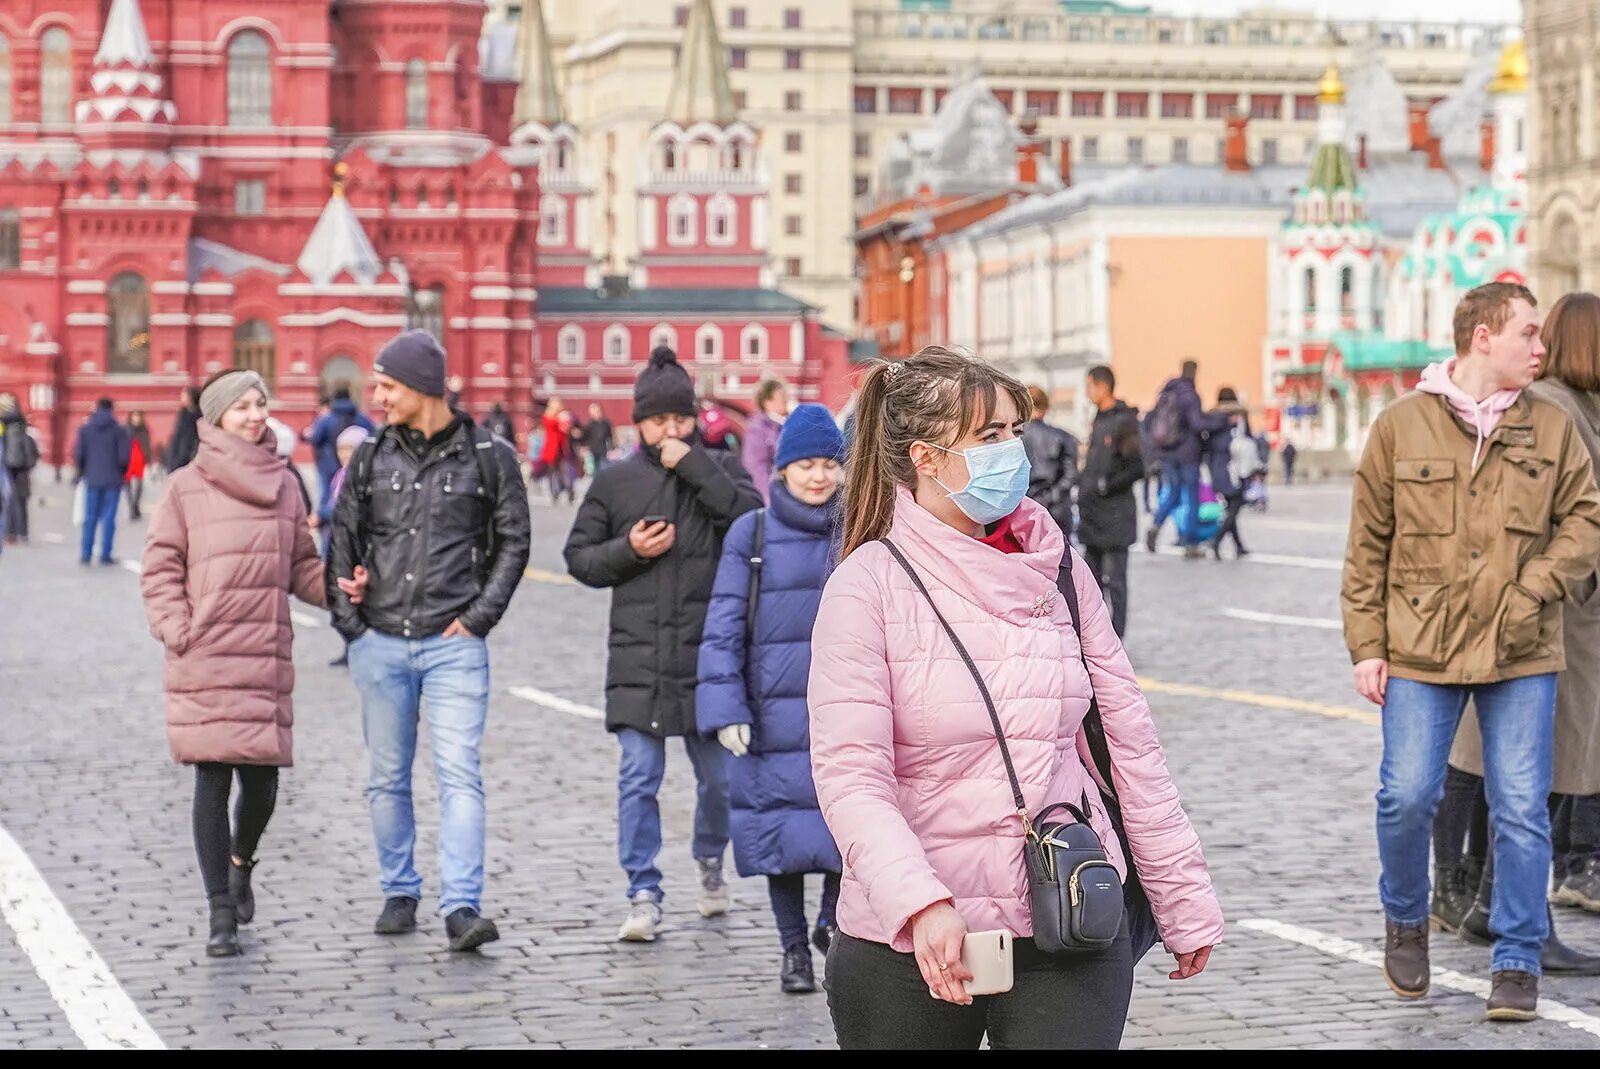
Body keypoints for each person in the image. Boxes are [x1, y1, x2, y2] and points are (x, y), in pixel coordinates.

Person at [808, 347, 1223, 1049]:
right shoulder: (866, 586)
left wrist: (1181, 897)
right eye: (988, 435)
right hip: (913, 941)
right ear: (928, 457)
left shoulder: (1058, 567)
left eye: (1013, 431)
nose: (1012, 450)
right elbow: (852, 775)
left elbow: (1128, 744)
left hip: (1066, 911)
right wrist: (921, 903)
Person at [1342, 282, 1600, 1023]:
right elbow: (1367, 548)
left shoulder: (1551, 427)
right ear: (1482, 337)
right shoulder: (1401, 425)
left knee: (1521, 806)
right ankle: (1405, 917)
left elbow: (1585, 520)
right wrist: (1367, 645)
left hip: (1523, 649)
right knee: (1407, 795)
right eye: (1527, 332)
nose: (1540, 346)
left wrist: (1534, 590)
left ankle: (1517, 958)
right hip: (1421, 650)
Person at [140, 369, 367, 957]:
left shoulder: (286, 484)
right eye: (242, 406)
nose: (254, 414)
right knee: (212, 781)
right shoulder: (186, 485)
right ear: (216, 418)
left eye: (260, 404)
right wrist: (176, 627)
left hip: (263, 652)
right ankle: (220, 911)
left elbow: (300, 567)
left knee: (262, 788)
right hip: (206, 652)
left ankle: (241, 863)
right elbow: (161, 565)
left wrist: (344, 589)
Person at [329, 329, 531, 953]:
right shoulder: (368, 457)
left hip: (454, 645)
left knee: (458, 774)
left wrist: (476, 620)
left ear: (420, 386)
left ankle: (461, 906)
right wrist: (352, 624)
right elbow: (343, 542)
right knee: (387, 777)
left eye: (387, 385)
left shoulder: (488, 456)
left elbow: (514, 541)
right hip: (381, 642)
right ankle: (399, 889)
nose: (378, 396)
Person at [564, 345, 763, 943]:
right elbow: (578, 558)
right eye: (658, 422)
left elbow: (754, 525)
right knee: (638, 778)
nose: (669, 431)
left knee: (720, 784)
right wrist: (630, 551)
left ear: (694, 419)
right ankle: (642, 890)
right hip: (640, 661)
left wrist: (694, 468)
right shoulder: (615, 481)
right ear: (638, 422)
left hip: (709, 662)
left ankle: (708, 858)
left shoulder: (721, 470)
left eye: (679, 420)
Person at [1431, 291, 1600, 975]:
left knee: (1533, 772)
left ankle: (1491, 906)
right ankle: (1506, 916)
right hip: (1553, 613)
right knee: (1530, 774)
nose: (1534, 348)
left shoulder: (1565, 405)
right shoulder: (1555, 407)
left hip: (1557, 611)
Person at [697, 404, 846, 994]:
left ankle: (831, 924)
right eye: (805, 464)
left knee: (847, 832)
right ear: (781, 469)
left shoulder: (860, 529)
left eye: (828, 464)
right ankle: (793, 952)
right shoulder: (751, 533)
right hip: (770, 715)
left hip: (844, 713)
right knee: (780, 838)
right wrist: (725, 710)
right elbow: (723, 628)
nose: (818, 477)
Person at [1077, 366, 1144, 637]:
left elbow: (1137, 467)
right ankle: (1094, 636)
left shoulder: (1123, 422)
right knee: (1090, 583)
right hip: (1093, 515)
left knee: (1115, 581)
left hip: (1115, 516)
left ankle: (1117, 635)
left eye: (1089, 386)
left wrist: (1106, 486)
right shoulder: (1099, 419)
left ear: (1102, 387)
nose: (1087, 392)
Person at [1144, 359, 1207, 558]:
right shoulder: (1190, 396)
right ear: (1195, 372)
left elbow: (1150, 422)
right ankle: (1190, 543)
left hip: (1166, 453)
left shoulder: (1166, 394)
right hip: (1187, 453)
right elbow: (1197, 424)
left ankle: (1156, 525)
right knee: (1192, 496)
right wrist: (1214, 422)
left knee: (1172, 492)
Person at [324, 424, 374, 668]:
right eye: (341, 449)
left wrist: (322, 515)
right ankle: (350, 648)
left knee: (353, 599)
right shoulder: (340, 474)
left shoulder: (362, 476)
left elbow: (343, 510)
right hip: (338, 543)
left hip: (357, 548)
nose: (344, 454)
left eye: (349, 450)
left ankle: (357, 647)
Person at [74, 398, 131, 565]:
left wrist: (84, 471)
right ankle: (105, 553)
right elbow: (123, 457)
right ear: (112, 409)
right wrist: (120, 473)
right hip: (113, 480)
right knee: (109, 518)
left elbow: (79, 455)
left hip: (92, 478)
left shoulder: (85, 429)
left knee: (90, 517)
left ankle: (86, 553)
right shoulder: (119, 430)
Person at [1020, 385, 1079, 541]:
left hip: (1023, 507)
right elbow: (1071, 474)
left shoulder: (1012, 438)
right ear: (1045, 407)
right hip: (1056, 507)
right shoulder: (1063, 437)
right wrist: (1053, 495)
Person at [1205, 388, 1256, 560]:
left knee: (1230, 507)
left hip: (1216, 467)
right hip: (1233, 468)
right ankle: (1216, 539)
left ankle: (1238, 546)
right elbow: (1249, 439)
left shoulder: (1211, 417)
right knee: (1236, 504)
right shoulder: (1238, 416)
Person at [309, 387, 374, 518]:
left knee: (328, 499)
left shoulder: (327, 419)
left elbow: (315, 438)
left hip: (328, 468)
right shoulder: (362, 418)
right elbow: (373, 437)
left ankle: (326, 525)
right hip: (359, 469)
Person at [741, 377, 789, 503]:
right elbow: (756, 468)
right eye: (781, 395)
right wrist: (768, 500)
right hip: (773, 496)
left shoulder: (785, 423)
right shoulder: (757, 429)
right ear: (767, 401)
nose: (785, 399)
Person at [1, 394, 39, 544]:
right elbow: (33, 452)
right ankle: (23, 533)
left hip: (7, 468)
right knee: (21, 501)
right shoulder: (23, 426)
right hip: (22, 470)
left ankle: (9, 533)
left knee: (7, 501)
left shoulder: (3, 426)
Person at [540, 397, 577, 503]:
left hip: (562, 447)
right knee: (552, 472)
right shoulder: (548, 417)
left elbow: (568, 427)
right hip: (551, 449)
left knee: (565, 471)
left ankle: (570, 492)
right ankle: (554, 493)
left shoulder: (564, 415)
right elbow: (551, 424)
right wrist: (560, 420)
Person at [168, 387, 203, 473]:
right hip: (180, 454)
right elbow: (178, 437)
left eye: (185, 396)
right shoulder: (183, 415)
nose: (182, 399)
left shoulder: (198, 416)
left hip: (192, 453)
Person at [125, 411, 152, 521]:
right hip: (129, 459)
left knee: (139, 486)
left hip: (140, 458)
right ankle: (132, 507)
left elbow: (147, 444)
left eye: (138, 416)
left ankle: (136, 504)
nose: (137, 419)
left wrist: (148, 458)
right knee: (128, 485)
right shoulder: (126, 430)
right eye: (135, 416)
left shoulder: (144, 430)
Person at [582, 402, 615, 473]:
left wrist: (612, 449)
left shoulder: (606, 423)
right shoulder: (589, 426)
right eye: (594, 411)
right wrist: (585, 449)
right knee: (594, 473)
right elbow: (584, 439)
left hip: (604, 452)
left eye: (598, 411)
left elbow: (610, 438)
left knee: (604, 471)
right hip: (593, 453)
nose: (597, 413)